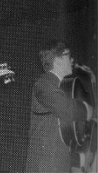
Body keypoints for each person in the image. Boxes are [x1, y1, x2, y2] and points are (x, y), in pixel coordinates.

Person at [25, 40, 93, 172]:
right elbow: (66, 109)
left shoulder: (62, 88)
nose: (72, 60)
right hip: (44, 167)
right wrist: (86, 109)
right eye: (68, 56)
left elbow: (64, 133)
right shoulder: (43, 85)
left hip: (56, 165)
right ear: (58, 61)